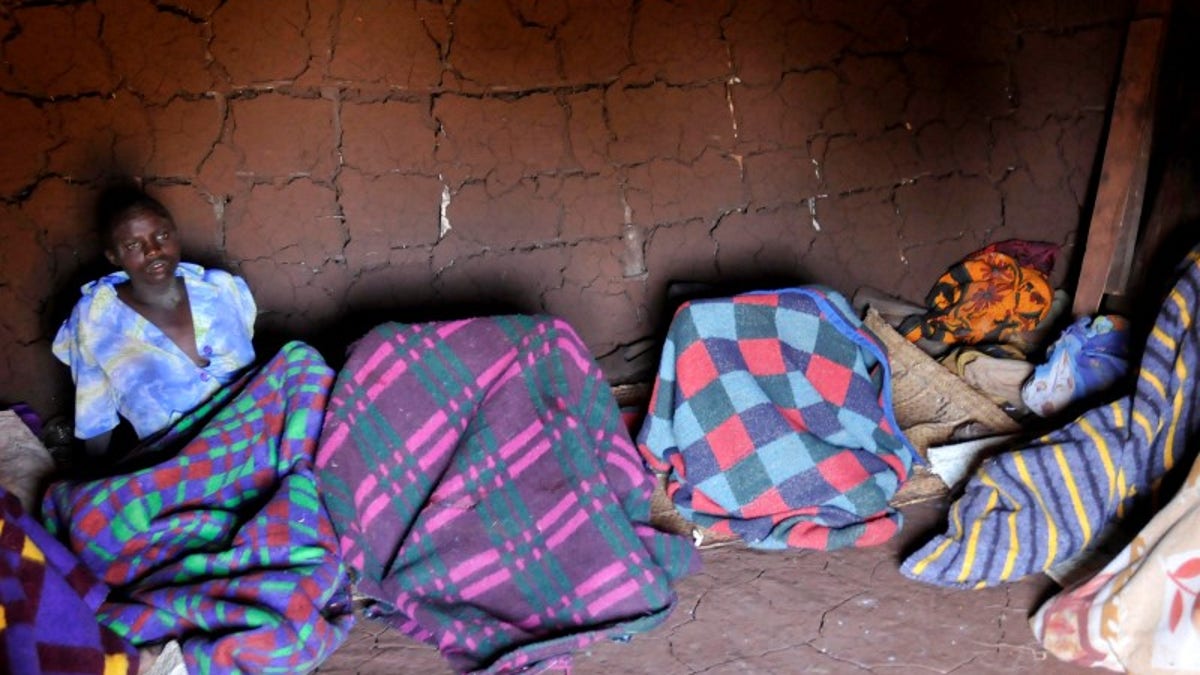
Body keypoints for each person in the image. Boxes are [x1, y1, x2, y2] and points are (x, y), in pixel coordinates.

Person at [52, 185, 257, 456]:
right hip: (183, 458)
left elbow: (254, 368)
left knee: (300, 358)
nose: (153, 250)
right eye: (133, 245)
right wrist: (95, 479)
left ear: (175, 234)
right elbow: (95, 413)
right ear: (114, 256)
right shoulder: (95, 319)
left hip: (258, 427)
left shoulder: (220, 288)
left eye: (162, 235)